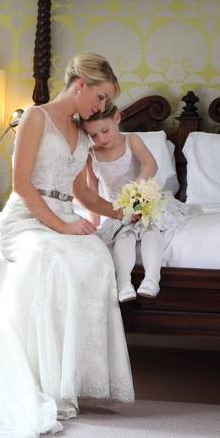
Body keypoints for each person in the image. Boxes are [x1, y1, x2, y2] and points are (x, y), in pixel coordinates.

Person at [0, 53, 135, 438]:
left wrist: (119, 211)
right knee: (53, 259)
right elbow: (22, 185)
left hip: (61, 215)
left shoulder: (83, 133)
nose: (101, 108)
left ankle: (69, 379)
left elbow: (80, 191)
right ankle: (41, 380)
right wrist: (62, 225)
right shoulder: (36, 117)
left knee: (96, 257)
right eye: (99, 97)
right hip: (27, 220)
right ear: (80, 83)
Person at [78, 104, 188, 302]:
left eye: (105, 131)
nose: (101, 138)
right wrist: (94, 222)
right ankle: (124, 284)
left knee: (150, 227)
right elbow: (92, 191)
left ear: (117, 119)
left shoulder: (132, 140)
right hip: (116, 208)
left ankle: (152, 280)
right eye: (94, 135)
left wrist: (134, 192)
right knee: (124, 234)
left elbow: (150, 164)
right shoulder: (91, 154)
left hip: (144, 197)